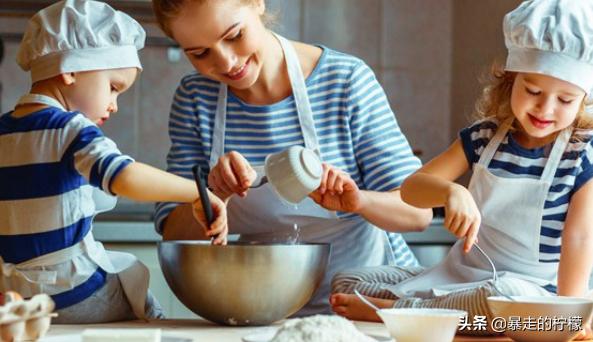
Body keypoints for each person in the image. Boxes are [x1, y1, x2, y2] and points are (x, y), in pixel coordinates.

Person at [330, 0, 593, 338]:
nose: (545, 107)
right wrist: (450, 191)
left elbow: (581, 237)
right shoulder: (484, 137)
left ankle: (399, 313)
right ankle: (427, 310)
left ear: (583, 99)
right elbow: (412, 189)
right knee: (349, 280)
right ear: (510, 80)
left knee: (501, 301)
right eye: (533, 90)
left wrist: (567, 315)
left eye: (565, 100)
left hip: (531, 292)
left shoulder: (582, 154)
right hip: (465, 277)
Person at [151, 0, 433, 315]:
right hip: (265, 311)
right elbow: (172, 230)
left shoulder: (344, 81)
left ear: (257, 3)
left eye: (234, 35)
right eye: (200, 53)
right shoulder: (195, 98)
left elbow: (418, 214)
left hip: (370, 305)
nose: (227, 62)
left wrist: (358, 202)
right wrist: (216, 195)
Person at [0, 0, 227, 324]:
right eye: (113, 87)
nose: (114, 104)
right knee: (140, 298)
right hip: (74, 292)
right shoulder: (72, 129)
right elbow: (124, 176)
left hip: (18, 298)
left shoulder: (4, 131)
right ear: (71, 70)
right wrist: (197, 191)